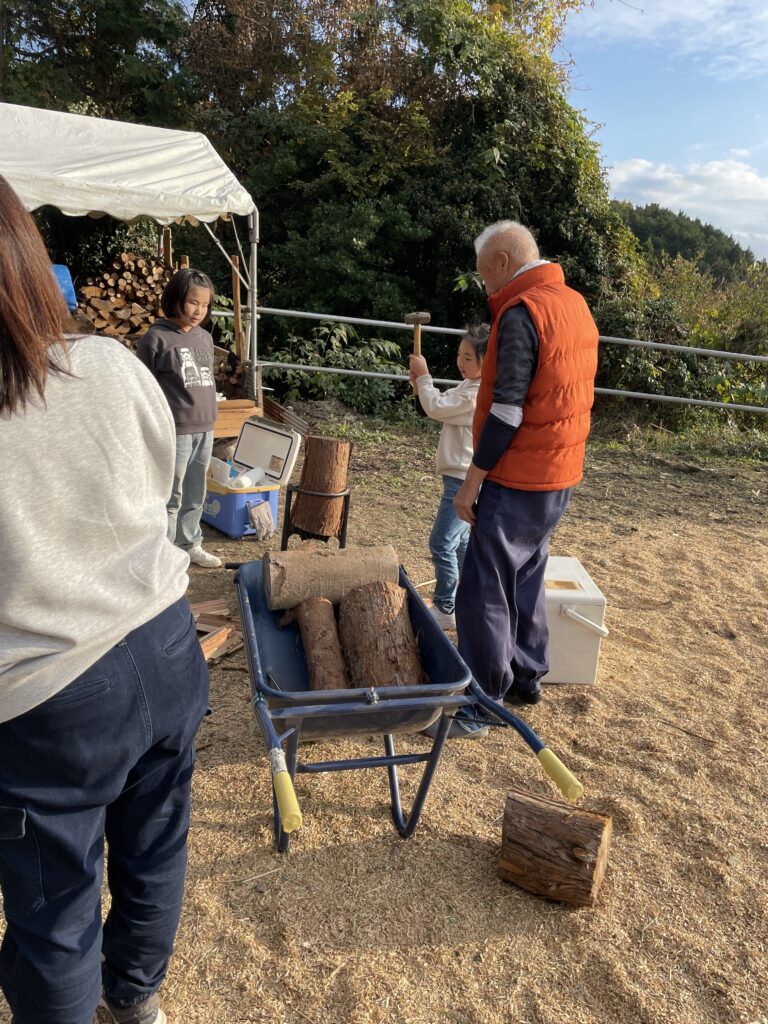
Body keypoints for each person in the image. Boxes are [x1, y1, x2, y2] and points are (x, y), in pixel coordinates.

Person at [0, 176, 209, 1024]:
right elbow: (158, 487)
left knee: (56, 908)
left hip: (50, 690)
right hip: (164, 638)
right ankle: (136, 999)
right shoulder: (108, 363)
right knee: (155, 850)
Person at [452, 220, 598, 734]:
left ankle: (482, 700)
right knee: (528, 572)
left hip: (519, 473)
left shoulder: (522, 312)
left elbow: (507, 411)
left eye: (484, 275)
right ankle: (525, 676)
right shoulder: (573, 303)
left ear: (503, 262)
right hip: (560, 470)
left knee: (484, 585)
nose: (485, 287)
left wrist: (473, 478)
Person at [137, 268, 222, 568]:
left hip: (205, 428)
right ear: (175, 298)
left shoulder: (204, 338)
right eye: (193, 302)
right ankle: (164, 553)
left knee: (196, 493)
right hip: (174, 430)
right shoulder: (155, 338)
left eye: (205, 305)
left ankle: (190, 544)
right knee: (170, 495)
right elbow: (144, 388)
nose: (199, 311)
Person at [408, 325, 488, 632]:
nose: (460, 362)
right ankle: (468, 599)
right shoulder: (469, 386)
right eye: (459, 355)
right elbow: (438, 401)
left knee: (441, 542)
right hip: (458, 476)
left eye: (468, 357)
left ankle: (445, 606)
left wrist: (424, 376)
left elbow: (437, 408)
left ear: (486, 361)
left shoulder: (476, 395)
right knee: (460, 544)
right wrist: (422, 387)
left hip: (462, 480)